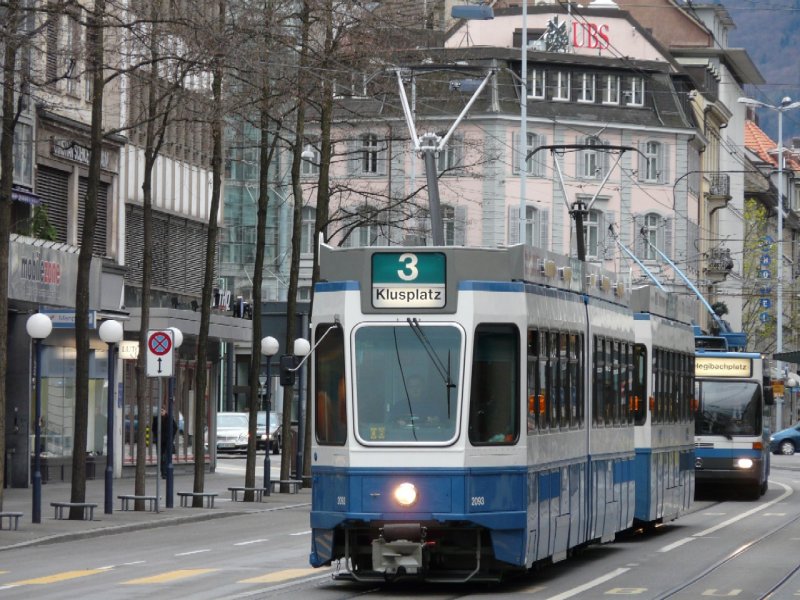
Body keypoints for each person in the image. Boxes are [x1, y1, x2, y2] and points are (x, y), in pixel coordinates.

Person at [152, 405, 178, 478]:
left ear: (165, 411)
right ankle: (163, 472)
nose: (161, 412)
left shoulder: (169, 418)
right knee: (160, 457)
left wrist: (170, 437)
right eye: (160, 411)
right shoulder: (156, 419)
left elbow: (175, 428)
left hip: (167, 441)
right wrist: (156, 436)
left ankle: (166, 472)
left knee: (166, 457)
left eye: (162, 410)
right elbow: (153, 429)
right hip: (159, 441)